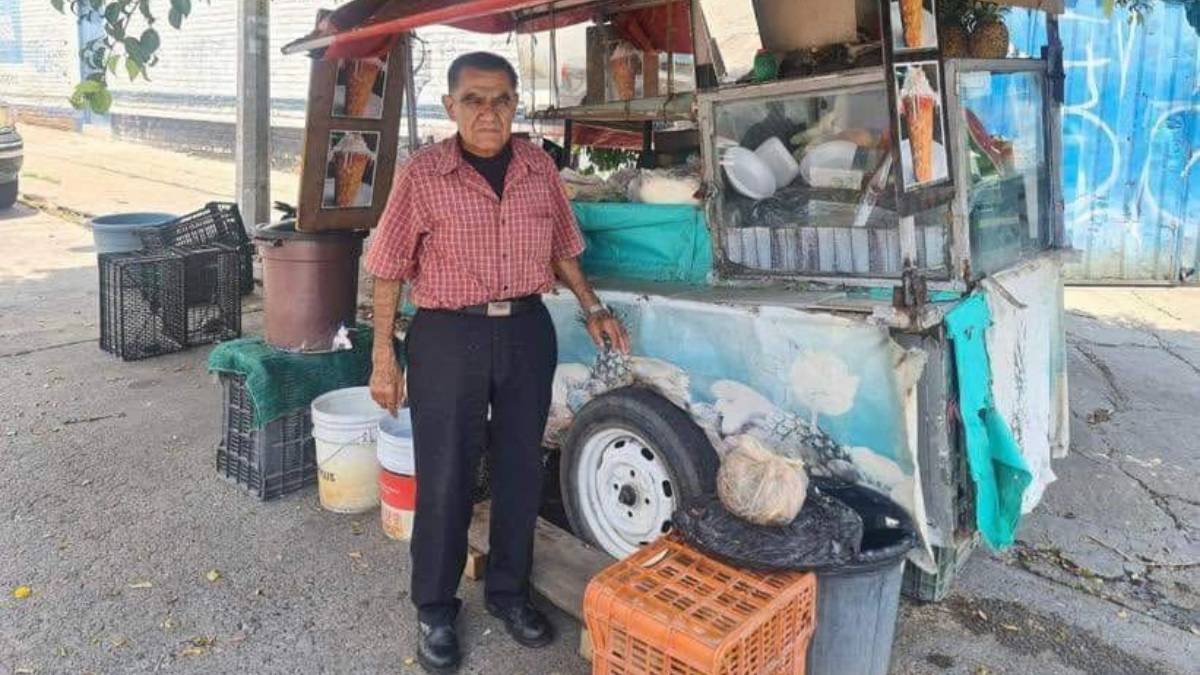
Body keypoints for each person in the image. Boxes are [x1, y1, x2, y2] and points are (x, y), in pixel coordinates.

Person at [365, 52, 629, 673]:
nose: (489, 112)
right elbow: (386, 269)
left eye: (502, 99)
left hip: (526, 332)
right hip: (447, 335)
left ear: (516, 104)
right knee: (448, 473)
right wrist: (383, 356)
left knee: (518, 470)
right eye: (475, 100)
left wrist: (591, 307)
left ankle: (509, 593)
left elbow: (563, 249)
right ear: (451, 106)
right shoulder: (424, 173)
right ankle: (434, 607)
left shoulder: (538, 166)